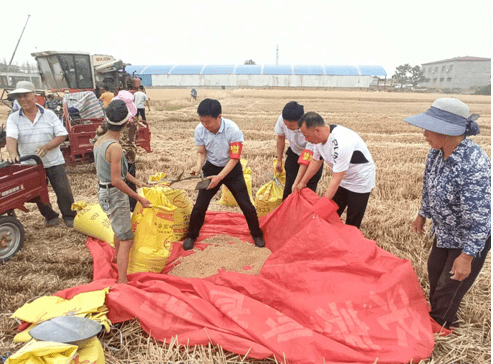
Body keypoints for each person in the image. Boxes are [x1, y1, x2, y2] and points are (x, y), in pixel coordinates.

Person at [404, 97, 491, 329]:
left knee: (450, 285)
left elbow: (482, 219)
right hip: (445, 230)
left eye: (429, 129)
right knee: (434, 273)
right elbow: (429, 185)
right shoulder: (436, 152)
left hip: (468, 235)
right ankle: (437, 315)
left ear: (447, 132)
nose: (424, 134)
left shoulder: (473, 165)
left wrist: (467, 256)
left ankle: (441, 327)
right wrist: (422, 213)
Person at [183, 98, 265, 250]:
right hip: (211, 168)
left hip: (232, 170)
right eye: (202, 121)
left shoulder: (232, 130)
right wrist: (198, 165)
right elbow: (201, 152)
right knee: (200, 205)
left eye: (208, 122)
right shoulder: (200, 130)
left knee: (246, 204)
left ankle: (257, 233)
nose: (205, 125)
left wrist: (220, 177)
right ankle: (191, 235)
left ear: (219, 117)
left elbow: (234, 158)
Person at [93, 99, 150, 284]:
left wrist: (137, 181)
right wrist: (138, 198)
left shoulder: (99, 141)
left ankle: (118, 259)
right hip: (113, 194)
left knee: (118, 229)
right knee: (126, 238)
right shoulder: (115, 147)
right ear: (126, 122)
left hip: (104, 191)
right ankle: (123, 281)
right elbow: (117, 180)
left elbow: (120, 173)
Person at [6, 81, 77, 227]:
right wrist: (12, 153)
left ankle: (69, 216)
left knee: (63, 190)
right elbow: (11, 138)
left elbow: (61, 135)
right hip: (31, 164)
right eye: (19, 97)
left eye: (25, 95)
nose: (22, 99)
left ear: (35, 96)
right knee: (38, 194)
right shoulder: (13, 118)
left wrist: (47, 146)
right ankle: (50, 216)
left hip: (54, 161)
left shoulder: (49, 115)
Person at [294, 112, 375, 229]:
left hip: (360, 181)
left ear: (317, 130)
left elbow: (336, 179)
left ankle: (348, 244)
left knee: (352, 222)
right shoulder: (317, 140)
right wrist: (302, 182)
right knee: (331, 214)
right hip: (344, 179)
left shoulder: (341, 142)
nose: (306, 140)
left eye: (306, 136)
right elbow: (316, 161)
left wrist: (322, 205)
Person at [93, 90, 141, 211]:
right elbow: (116, 181)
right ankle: (130, 210)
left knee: (124, 185)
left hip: (116, 159)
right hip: (126, 157)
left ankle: (128, 209)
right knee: (126, 187)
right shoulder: (133, 122)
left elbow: (98, 133)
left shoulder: (105, 131)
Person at [275, 101, 323, 201]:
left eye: (291, 126)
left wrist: (298, 183)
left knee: (306, 190)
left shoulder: (311, 127)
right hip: (294, 153)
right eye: (286, 124)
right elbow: (280, 138)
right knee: (289, 189)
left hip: (311, 158)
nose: (287, 127)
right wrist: (279, 160)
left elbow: (306, 158)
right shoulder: (282, 119)